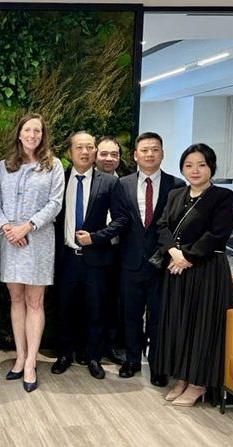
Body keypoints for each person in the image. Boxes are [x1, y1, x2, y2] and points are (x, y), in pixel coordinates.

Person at [156, 143, 233, 406]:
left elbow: (218, 234)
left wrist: (186, 256)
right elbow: (163, 226)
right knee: (180, 324)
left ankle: (198, 383)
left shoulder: (222, 196)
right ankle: (182, 377)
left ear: (211, 167)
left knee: (202, 326)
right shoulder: (176, 194)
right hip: (177, 269)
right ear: (182, 168)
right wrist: (174, 253)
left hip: (207, 271)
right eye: (189, 165)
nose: (195, 170)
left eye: (201, 164)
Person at [0, 114, 64, 392]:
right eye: (27, 130)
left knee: (35, 301)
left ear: (43, 135)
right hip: (11, 241)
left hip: (38, 240)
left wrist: (28, 226)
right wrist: (7, 227)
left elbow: (55, 203)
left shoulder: (53, 166)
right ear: (19, 134)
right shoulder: (4, 166)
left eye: (37, 130)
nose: (32, 134)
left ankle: (32, 362)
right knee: (16, 298)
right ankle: (19, 357)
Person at [51, 131, 126, 380]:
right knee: (63, 309)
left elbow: (121, 220)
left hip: (97, 258)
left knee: (97, 310)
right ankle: (64, 354)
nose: (85, 152)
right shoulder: (58, 181)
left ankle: (93, 357)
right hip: (66, 257)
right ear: (69, 152)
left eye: (89, 147)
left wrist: (96, 237)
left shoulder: (109, 183)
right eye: (79, 147)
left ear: (94, 152)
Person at [118, 133, 185, 386]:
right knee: (131, 314)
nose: (149, 154)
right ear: (135, 155)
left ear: (162, 154)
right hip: (130, 261)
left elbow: (178, 226)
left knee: (158, 316)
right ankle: (132, 360)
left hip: (162, 263)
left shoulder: (176, 185)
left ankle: (158, 365)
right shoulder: (122, 184)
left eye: (154, 149)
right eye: (144, 150)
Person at [93, 136, 126, 366]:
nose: (108, 159)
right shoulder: (83, 182)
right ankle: (88, 347)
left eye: (114, 154)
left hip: (118, 252)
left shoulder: (125, 185)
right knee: (90, 303)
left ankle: (110, 347)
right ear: (95, 156)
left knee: (114, 302)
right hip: (91, 251)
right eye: (104, 154)